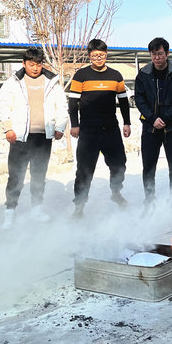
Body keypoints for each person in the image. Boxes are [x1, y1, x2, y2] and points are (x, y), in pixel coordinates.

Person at [0, 47, 68, 229]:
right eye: (31, 64)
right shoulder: (13, 83)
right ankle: (10, 212)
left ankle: (37, 209)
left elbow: (61, 106)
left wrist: (59, 127)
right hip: (20, 137)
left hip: (43, 138)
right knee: (16, 176)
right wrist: (8, 128)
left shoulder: (52, 81)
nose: (35, 68)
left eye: (38, 64)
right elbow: (3, 105)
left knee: (38, 176)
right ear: (23, 63)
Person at [68, 39, 131, 218]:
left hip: (111, 127)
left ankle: (116, 192)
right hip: (89, 130)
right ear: (89, 56)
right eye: (95, 55)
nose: (98, 58)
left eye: (102, 55)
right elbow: (72, 102)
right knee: (84, 170)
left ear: (106, 55)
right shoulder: (81, 75)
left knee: (119, 164)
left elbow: (123, 101)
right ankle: (79, 206)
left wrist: (127, 122)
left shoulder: (115, 75)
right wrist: (75, 124)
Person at [134, 37, 172, 210]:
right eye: (153, 54)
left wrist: (165, 118)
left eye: (160, 54)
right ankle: (149, 201)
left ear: (167, 53)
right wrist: (152, 118)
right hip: (150, 128)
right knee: (148, 166)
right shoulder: (143, 74)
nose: (157, 58)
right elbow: (139, 99)